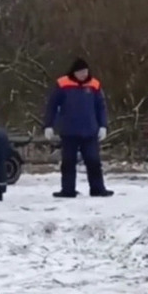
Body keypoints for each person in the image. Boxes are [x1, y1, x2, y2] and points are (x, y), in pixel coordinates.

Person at [42, 58, 113, 198]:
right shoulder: (63, 84)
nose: (83, 74)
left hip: (90, 131)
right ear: (74, 72)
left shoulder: (94, 84)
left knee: (93, 161)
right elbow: (52, 105)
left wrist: (103, 126)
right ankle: (68, 190)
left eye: (85, 71)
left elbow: (101, 107)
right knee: (68, 162)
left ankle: (97, 189)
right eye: (81, 72)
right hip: (69, 131)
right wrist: (48, 125)